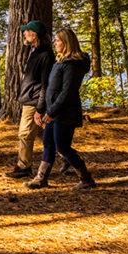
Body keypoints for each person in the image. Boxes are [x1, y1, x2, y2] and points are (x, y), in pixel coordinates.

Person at [25, 27, 96, 190]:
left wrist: (52, 112)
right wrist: (44, 109)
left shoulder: (72, 65)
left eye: (58, 40)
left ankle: (86, 178)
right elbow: (51, 88)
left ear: (67, 43)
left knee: (62, 146)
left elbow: (67, 92)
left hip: (66, 113)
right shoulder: (61, 61)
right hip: (54, 111)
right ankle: (41, 178)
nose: (55, 43)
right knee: (48, 143)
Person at [4, 20, 54, 179]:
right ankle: (66, 156)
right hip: (29, 99)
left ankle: (23, 167)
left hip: (34, 101)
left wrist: (40, 108)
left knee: (25, 134)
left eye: (27, 31)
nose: (24, 33)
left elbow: (46, 84)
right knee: (41, 134)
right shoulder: (35, 51)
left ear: (35, 34)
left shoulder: (45, 55)